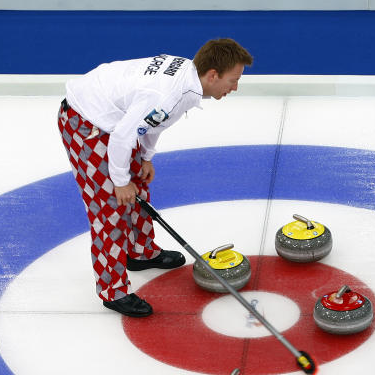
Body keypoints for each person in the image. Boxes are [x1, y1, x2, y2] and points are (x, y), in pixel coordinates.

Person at [58, 39, 253, 317]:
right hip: (86, 121)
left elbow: (155, 120)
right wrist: (120, 180)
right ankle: (113, 291)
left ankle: (140, 252)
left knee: (138, 186)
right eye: (233, 81)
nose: (234, 88)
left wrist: (146, 156)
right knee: (109, 209)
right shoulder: (168, 94)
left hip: (115, 120)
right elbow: (123, 136)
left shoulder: (187, 78)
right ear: (213, 74)